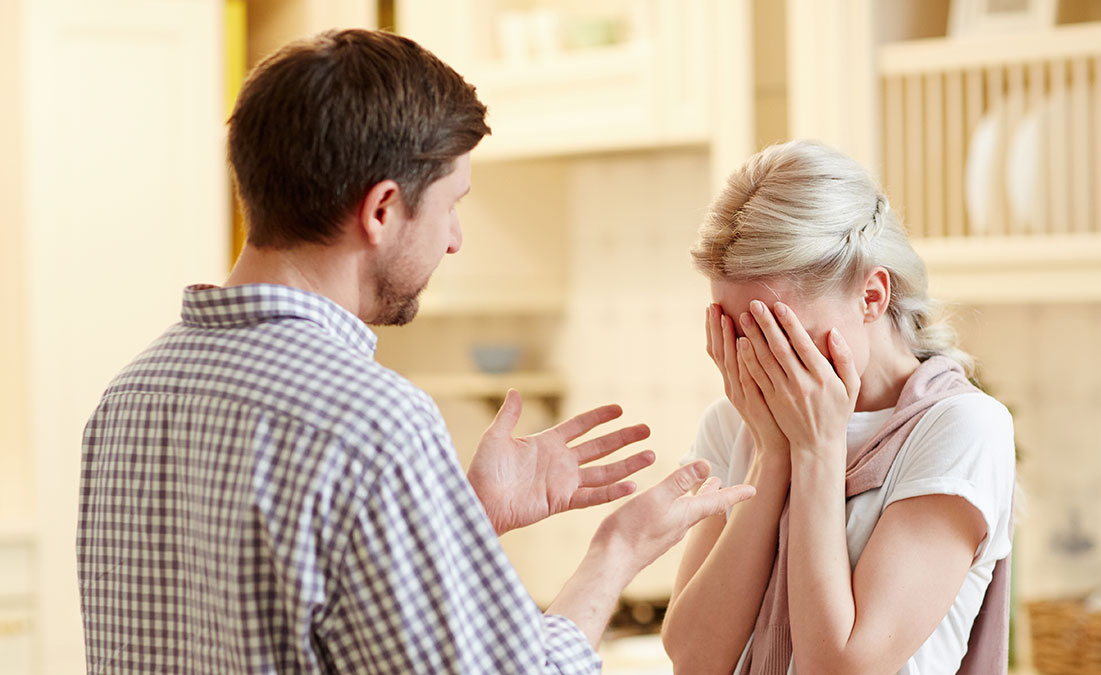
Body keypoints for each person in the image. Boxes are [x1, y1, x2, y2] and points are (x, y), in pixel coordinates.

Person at [75, 29, 754, 674]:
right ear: (382, 210)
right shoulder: (374, 422)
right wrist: (616, 550)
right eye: (450, 204)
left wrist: (459, 516)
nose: (455, 239)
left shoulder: (129, 397)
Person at [660, 140, 1016, 674]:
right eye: (737, 335)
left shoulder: (961, 429)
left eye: (781, 335)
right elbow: (694, 658)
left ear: (872, 297)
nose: (757, 363)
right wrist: (772, 452)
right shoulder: (736, 424)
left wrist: (817, 449)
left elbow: (843, 667)